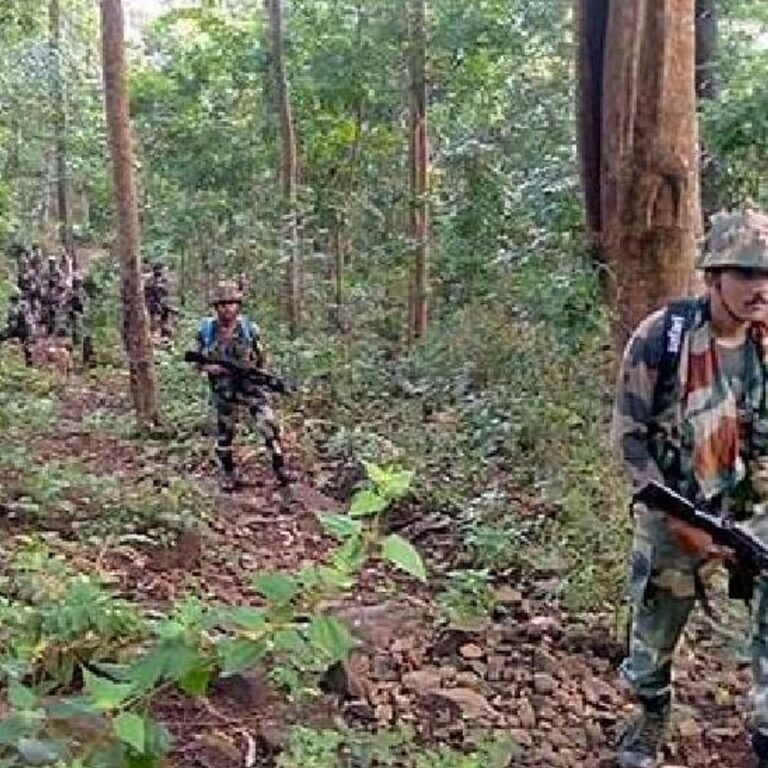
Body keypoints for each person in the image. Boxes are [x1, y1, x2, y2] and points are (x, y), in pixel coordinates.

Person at [612, 208, 768, 768]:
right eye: (746, 274)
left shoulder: (766, 345)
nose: (759, 289)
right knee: (655, 627)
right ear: (713, 277)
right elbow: (630, 443)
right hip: (676, 505)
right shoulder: (663, 337)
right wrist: (683, 524)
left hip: (752, 505)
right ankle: (649, 715)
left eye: (767, 276)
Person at [196, 280, 291, 491]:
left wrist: (257, 374)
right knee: (224, 433)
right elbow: (198, 362)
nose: (227, 308)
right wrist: (213, 369)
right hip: (223, 390)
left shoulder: (249, 329)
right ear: (216, 307)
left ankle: (280, 467)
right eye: (222, 304)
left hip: (250, 386)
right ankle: (228, 473)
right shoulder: (207, 331)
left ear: (238, 306)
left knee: (269, 425)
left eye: (231, 303)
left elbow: (261, 359)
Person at [0, 290, 33, 366]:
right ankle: (29, 362)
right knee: (26, 346)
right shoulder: (25, 305)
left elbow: (13, 324)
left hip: (20, 329)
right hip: (28, 329)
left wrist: (6, 332)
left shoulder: (14, 308)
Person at [144, 263, 172, 338]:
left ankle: (164, 336)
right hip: (152, 304)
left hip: (163, 305)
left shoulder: (164, 280)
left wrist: (165, 303)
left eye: (161, 270)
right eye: (159, 270)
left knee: (164, 321)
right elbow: (147, 293)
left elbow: (166, 293)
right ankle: (153, 335)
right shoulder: (149, 280)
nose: (160, 272)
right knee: (153, 321)